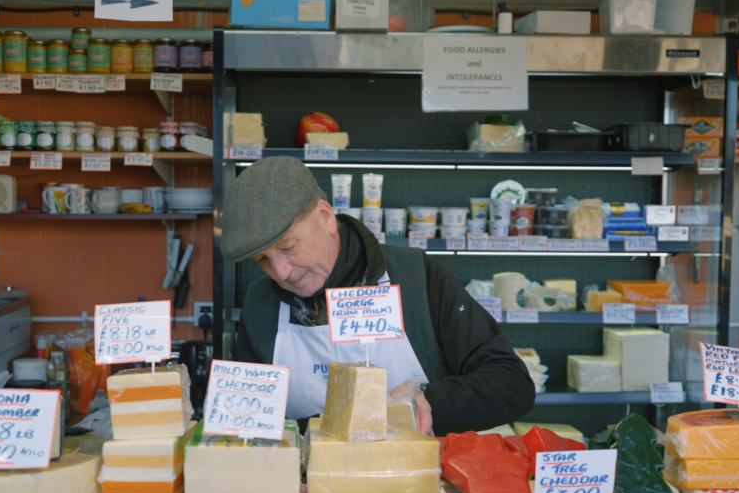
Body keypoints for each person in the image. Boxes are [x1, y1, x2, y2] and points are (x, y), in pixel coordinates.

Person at [222, 156, 535, 436]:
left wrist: (427, 404)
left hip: (414, 489)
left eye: (289, 247)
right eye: (263, 260)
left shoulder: (416, 276)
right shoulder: (260, 305)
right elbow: (247, 422)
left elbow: (511, 383)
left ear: (325, 217)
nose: (281, 272)